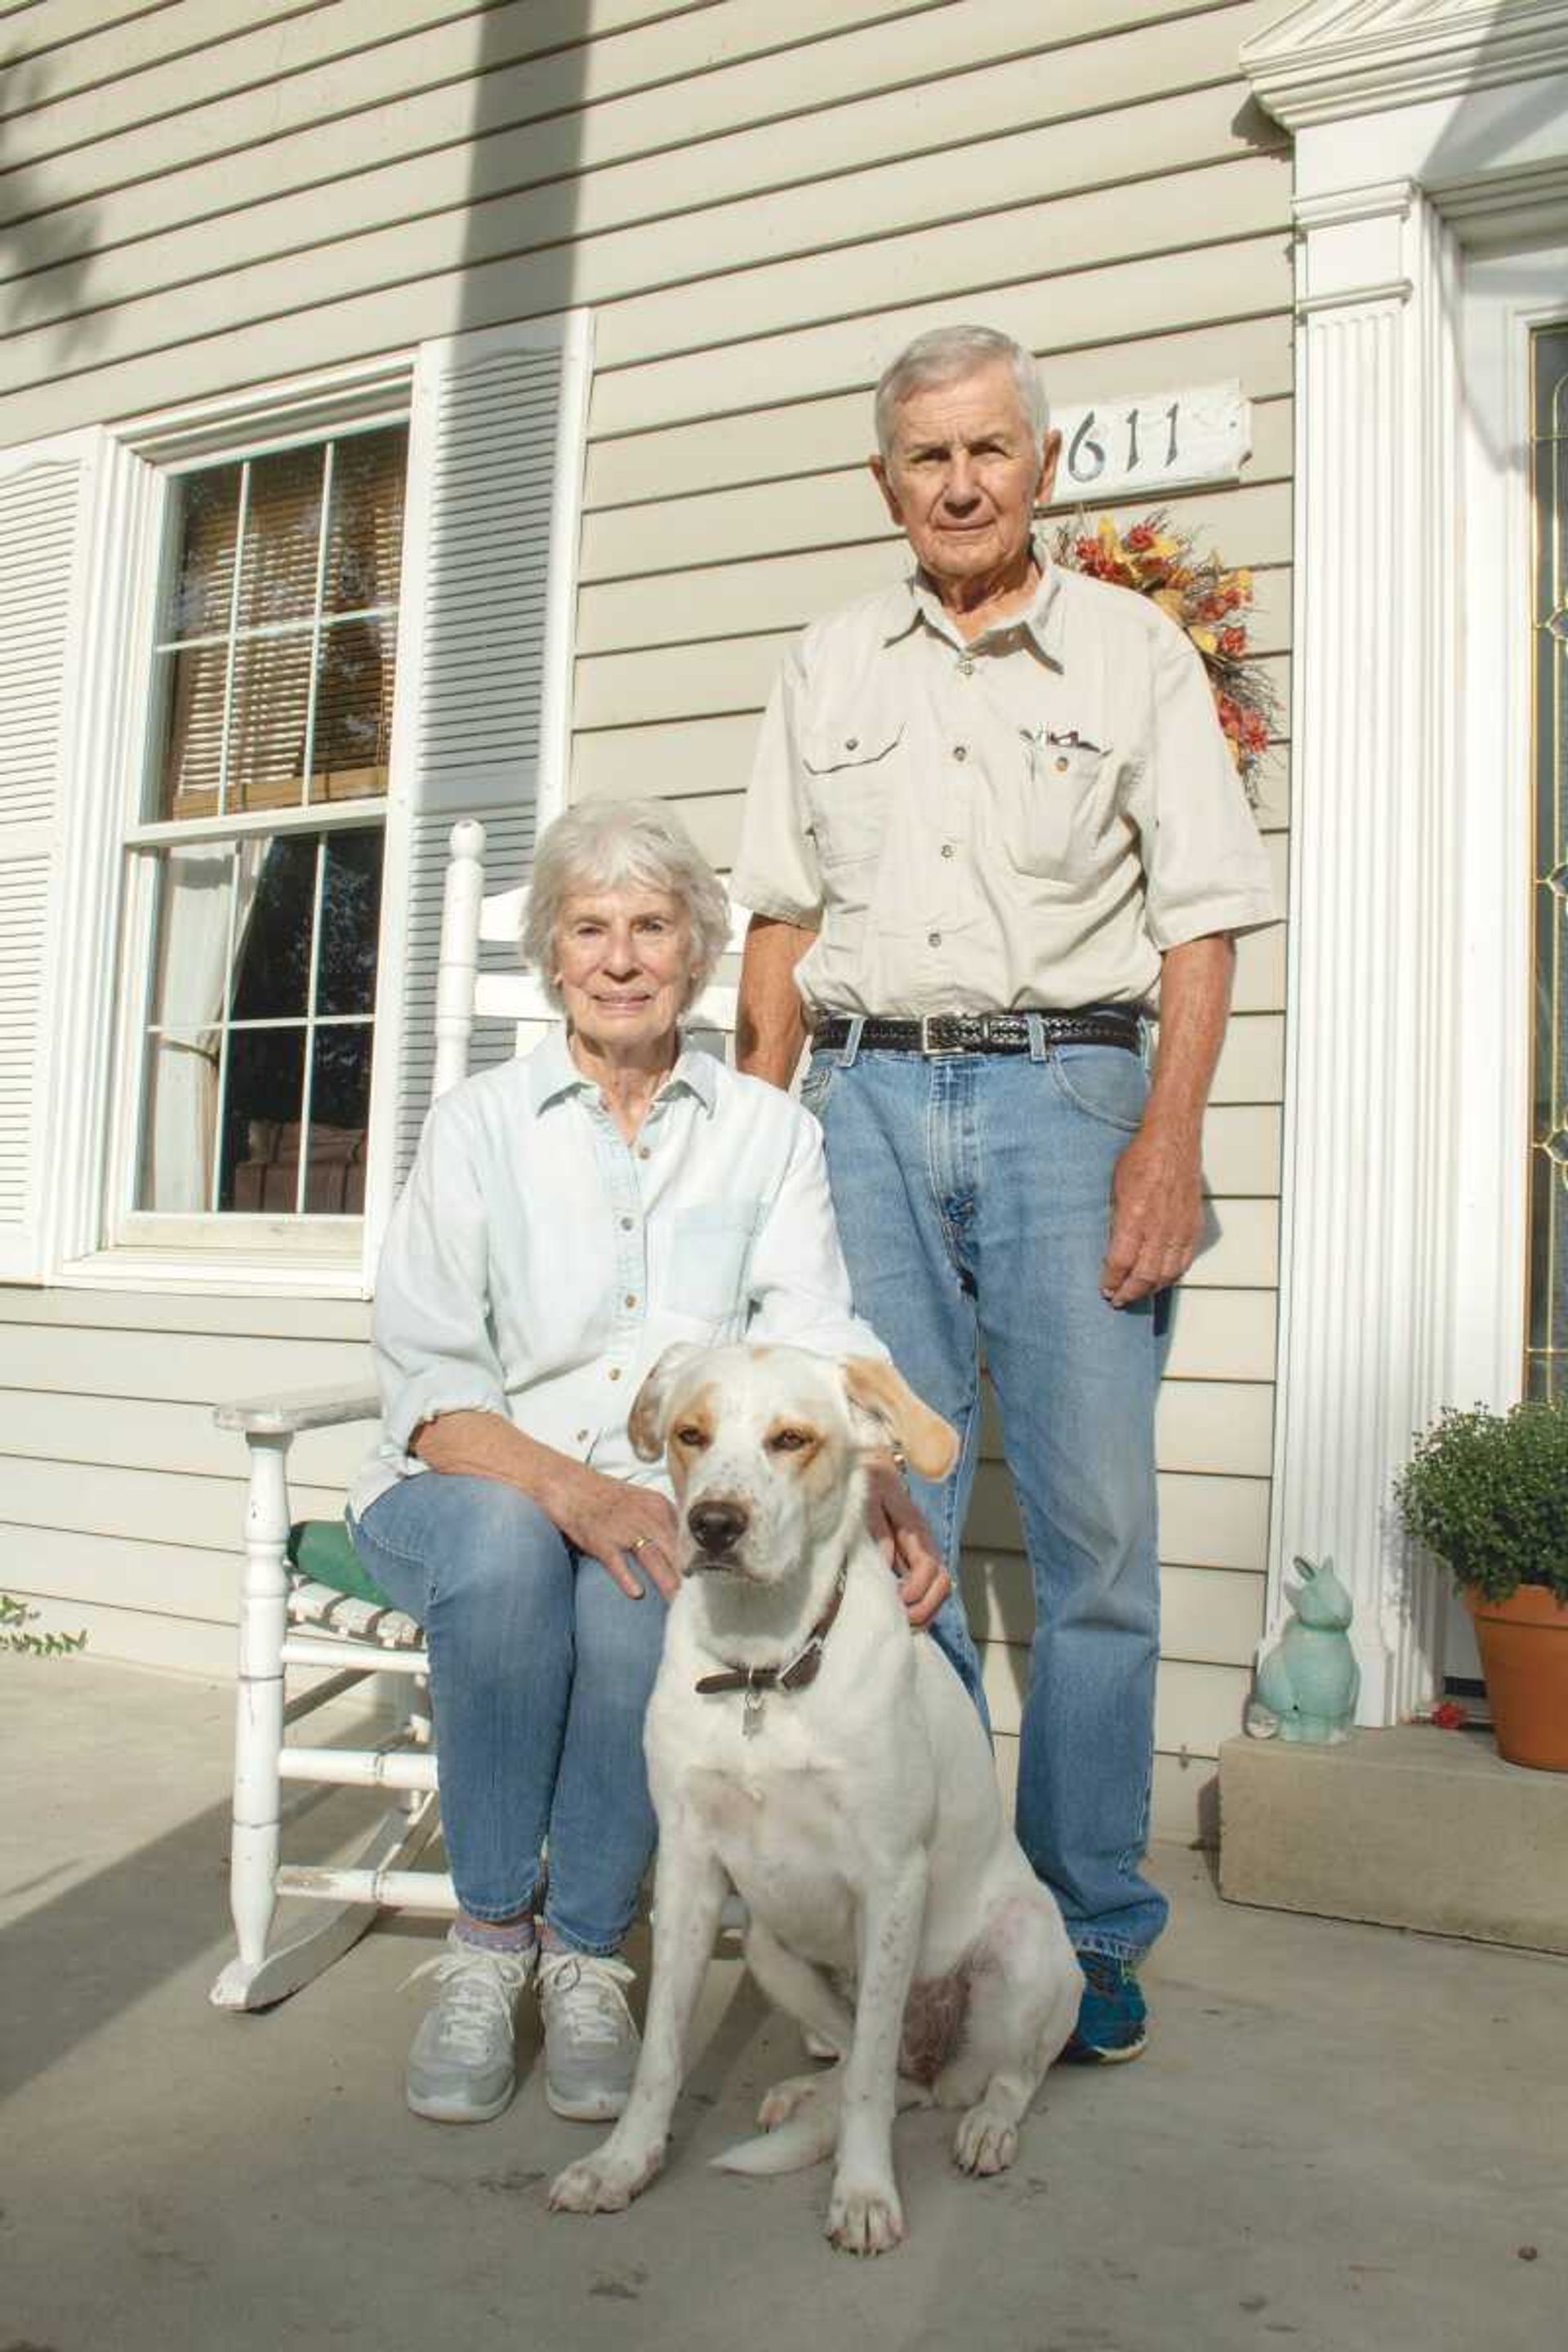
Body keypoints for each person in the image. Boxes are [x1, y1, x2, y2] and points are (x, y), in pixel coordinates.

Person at [730, 323, 1278, 2063]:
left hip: (1071, 1097)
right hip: (865, 1104)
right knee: (895, 1529)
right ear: (883, 482)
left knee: (1095, 1537)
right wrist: (749, 1164)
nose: (959, 482)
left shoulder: (1133, 656)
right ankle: (941, 1925)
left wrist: (1167, 1140)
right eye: (925, 458)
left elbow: (1200, 920)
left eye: (987, 450)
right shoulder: (825, 663)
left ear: (1041, 465)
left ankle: (1092, 1924)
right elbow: (778, 927)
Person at [347, 799, 946, 2127]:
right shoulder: (479, 1127)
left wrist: (887, 1483)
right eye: (591, 930)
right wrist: (573, 1488)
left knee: (648, 1568)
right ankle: (492, 1937)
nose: (622, 959)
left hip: (656, 1500)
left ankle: (587, 1960)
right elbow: (433, 1386)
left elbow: (810, 1333)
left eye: (654, 929)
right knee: (527, 1548)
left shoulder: (766, 1134)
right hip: (466, 1488)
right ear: (554, 958)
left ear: (698, 953)